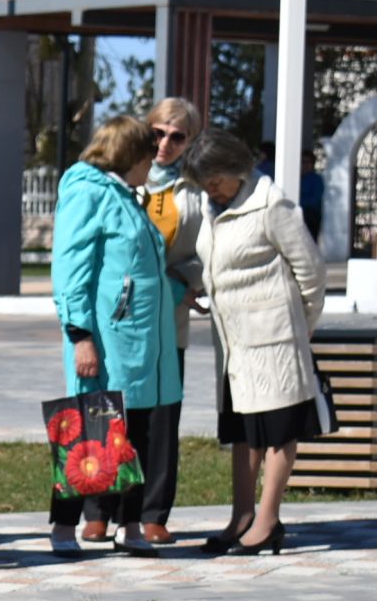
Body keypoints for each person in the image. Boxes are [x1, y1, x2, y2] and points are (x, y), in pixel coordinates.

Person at [185, 129, 328, 556]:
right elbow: (215, 262)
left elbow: (312, 271)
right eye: (204, 183)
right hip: (233, 344)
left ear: (236, 169)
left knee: (278, 431)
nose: (211, 190)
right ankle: (242, 516)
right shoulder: (211, 207)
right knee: (242, 432)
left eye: (215, 180)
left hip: (274, 341)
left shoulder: (270, 204)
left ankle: (267, 522)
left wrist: (299, 327)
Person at [48, 115, 178, 557]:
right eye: (148, 157)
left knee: (135, 431)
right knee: (89, 429)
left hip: (138, 340)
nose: (152, 165)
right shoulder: (88, 194)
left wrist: (181, 290)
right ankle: (65, 528)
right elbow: (71, 271)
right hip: (104, 339)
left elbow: (137, 271)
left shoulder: (124, 196)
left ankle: (131, 524)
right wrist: (80, 333)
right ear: (132, 157)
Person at [136, 97, 208, 545]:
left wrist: (184, 287)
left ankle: (153, 513)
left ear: (190, 141)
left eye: (177, 136)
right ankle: (100, 507)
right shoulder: (124, 183)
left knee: (163, 417)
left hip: (171, 319)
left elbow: (207, 253)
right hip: (121, 320)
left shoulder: (196, 192)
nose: (165, 143)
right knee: (115, 411)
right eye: (158, 132)